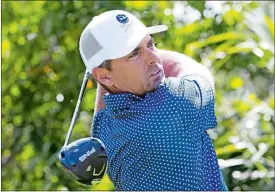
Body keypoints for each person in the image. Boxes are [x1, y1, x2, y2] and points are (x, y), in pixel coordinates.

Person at [79, 10, 228, 190]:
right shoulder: (173, 103)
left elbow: (105, 92)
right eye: (133, 54)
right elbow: (199, 74)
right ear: (103, 75)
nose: (154, 58)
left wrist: (112, 67)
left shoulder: (104, 128)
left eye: (151, 44)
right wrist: (142, 48)